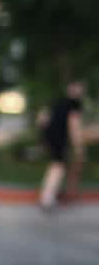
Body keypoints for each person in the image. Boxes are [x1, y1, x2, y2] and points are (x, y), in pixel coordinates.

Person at [38, 80, 86, 210]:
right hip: (58, 137)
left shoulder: (58, 101)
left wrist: (44, 135)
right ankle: (47, 198)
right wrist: (78, 146)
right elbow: (74, 124)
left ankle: (47, 196)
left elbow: (42, 118)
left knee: (56, 165)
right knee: (58, 166)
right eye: (79, 87)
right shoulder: (75, 103)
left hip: (49, 135)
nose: (80, 90)